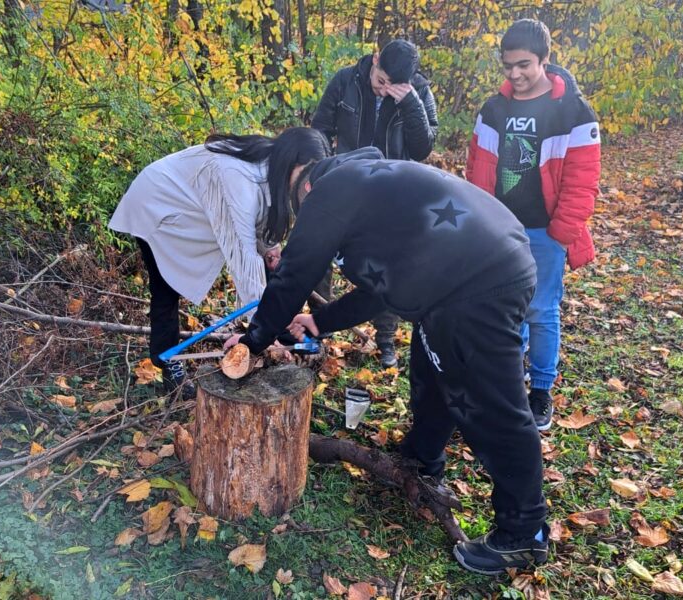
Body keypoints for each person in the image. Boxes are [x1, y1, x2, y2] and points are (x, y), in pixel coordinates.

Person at [225, 148, 548, 574]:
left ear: (305, 186)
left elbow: (293, 275)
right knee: (432, 369)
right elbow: (381, 288)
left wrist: (252, 339)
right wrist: (319, 322)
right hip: (465, 276)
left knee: (494, 407)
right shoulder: (372, 187)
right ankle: (421, 460)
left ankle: (523, 534)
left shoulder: (330, 189)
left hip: (480, 281)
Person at [109, 128, 330, 391]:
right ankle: (167, 364)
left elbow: (260, 216)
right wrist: (260, 335)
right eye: (308, 174)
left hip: (191, 209)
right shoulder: (235, 176)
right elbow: (242, 256)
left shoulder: (272, 167)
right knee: (166, 288)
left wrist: (270, 248)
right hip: (158, 203)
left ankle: (281, 334)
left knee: (269, 271)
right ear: (293, 161)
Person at [466, 19, 601, 431]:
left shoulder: (573, 112)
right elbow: (476, 170)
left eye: (524, 65)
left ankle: (540, 391)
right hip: (499, 230)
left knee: (540, 310)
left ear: (545, 59)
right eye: (508, 66)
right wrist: (480, 223)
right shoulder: (494, 109)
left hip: (546, 231)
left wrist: (561, 234)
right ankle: (511, 376)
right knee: (506, 308)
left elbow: (583, 182)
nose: (515, 75)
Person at [310, 39, 439, 368]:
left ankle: (385, 339)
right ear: (375, 58)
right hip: (344, 186)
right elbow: (320, 129)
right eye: (381, 81)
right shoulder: (345, 80)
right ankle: (318, 331)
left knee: (386, 265)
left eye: (392, 86)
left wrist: (409, 103)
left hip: (392, 193)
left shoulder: (418, 91)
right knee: (321, 251)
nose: (383, 90)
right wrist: (323, 169)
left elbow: (423, 147)